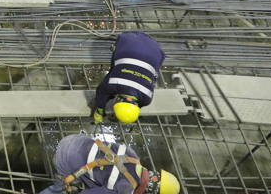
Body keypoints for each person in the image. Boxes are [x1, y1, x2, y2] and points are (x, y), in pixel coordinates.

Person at [39, 133, 180, 194]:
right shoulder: (124, 189)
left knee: (105, 176)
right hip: (64, 159)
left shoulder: (133, 156)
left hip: (74, 139)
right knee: (59, 190)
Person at [91, 31, 165, 125]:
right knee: (116, 66)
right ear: (118, 100)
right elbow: (100, 97)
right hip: (129, 40)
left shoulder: (147, 98)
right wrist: (99, 112)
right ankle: (117, 47)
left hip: (156, 49)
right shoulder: (111, 83)